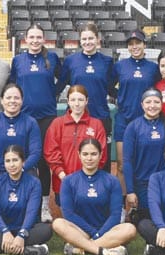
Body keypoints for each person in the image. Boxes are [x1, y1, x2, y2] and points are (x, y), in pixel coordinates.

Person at [9, 24, 63, 222]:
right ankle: (22, 203)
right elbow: (12, 84)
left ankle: (44, 206)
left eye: (38, 37)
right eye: (31, 37)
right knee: (24, 159)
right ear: (25, 39)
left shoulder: (52, 58)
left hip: (47, 116)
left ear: (43, 39)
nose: (35, 40)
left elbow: (64, 79)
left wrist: (53, 94)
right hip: (24, 117)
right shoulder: (18, 61)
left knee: (43, 161)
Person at [52, 138, 135, 255]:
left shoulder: (112, 181)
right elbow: (69, 214)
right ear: (78, 155)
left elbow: (115, 215)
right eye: (85, 154)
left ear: (101, 155)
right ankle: (103, 249)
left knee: (130, 229)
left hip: (106, 231)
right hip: (80, 231)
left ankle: (81, 248)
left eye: (93, 154)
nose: (89, 158)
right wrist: (93, 232)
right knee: (58, 224)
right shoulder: (69, 181)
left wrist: (99, 234)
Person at [0, 145, 52, 255]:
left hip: (27, 229)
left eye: (15, 160)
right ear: (4, 163)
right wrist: (5, 231)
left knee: (46, 230)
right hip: (2, 230)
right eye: (8, 161)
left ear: (23, 162)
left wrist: (21, 235)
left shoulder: (34, 183)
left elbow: (32, 212)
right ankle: (27, 250)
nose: (12, 165)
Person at [58, 23, 115, 172]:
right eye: (84, 39)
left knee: (102, 158)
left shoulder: (107, 61)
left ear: (97, 39)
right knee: (75, 157)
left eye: (91, 38)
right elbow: (61, 84)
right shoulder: (71, 61)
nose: (87, 42)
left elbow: (110, 87)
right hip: (76, 117)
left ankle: (103, 192)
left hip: (101, 115)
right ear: (80, 40)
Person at [123, 89, 165, 223]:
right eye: (148, 102)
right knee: (149, 218)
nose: (152, 105)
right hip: (144, 183)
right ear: (142, 105)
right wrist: (130, 191)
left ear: (161, 104)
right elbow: (127, 161)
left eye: (156, 102)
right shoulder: (133, 127)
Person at [113, 29, 160, 195]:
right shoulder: (119, 66)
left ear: (144, 44)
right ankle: (121, 205)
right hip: (124, 119)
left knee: (144, 163)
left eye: (138, 43)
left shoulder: (153, 68)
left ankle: (145, 202)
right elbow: (108, 85)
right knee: (121, 164)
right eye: (131, 44)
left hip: (146, 120)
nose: (135, 47)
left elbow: (159, 89)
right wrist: (120, 98)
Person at [44, 85, 107, 205]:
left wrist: (86, 177)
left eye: (81, 100)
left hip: (89, 183)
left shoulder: (96, 124)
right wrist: (63, 176)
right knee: (68, 219)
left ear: (87, 101)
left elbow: (101, 154)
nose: (77, 104)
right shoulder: (57, 124)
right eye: (73, 100)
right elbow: (50, 152)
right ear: (68, 101)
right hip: (63, 182)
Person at [0, 84, 42, 203]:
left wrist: (20, 168)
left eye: (16, 98)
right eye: (8, 98)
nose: (12, 101)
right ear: (1, 100)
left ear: (22, 100)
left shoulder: (30, 122)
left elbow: (36, 152)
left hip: (23, 171)